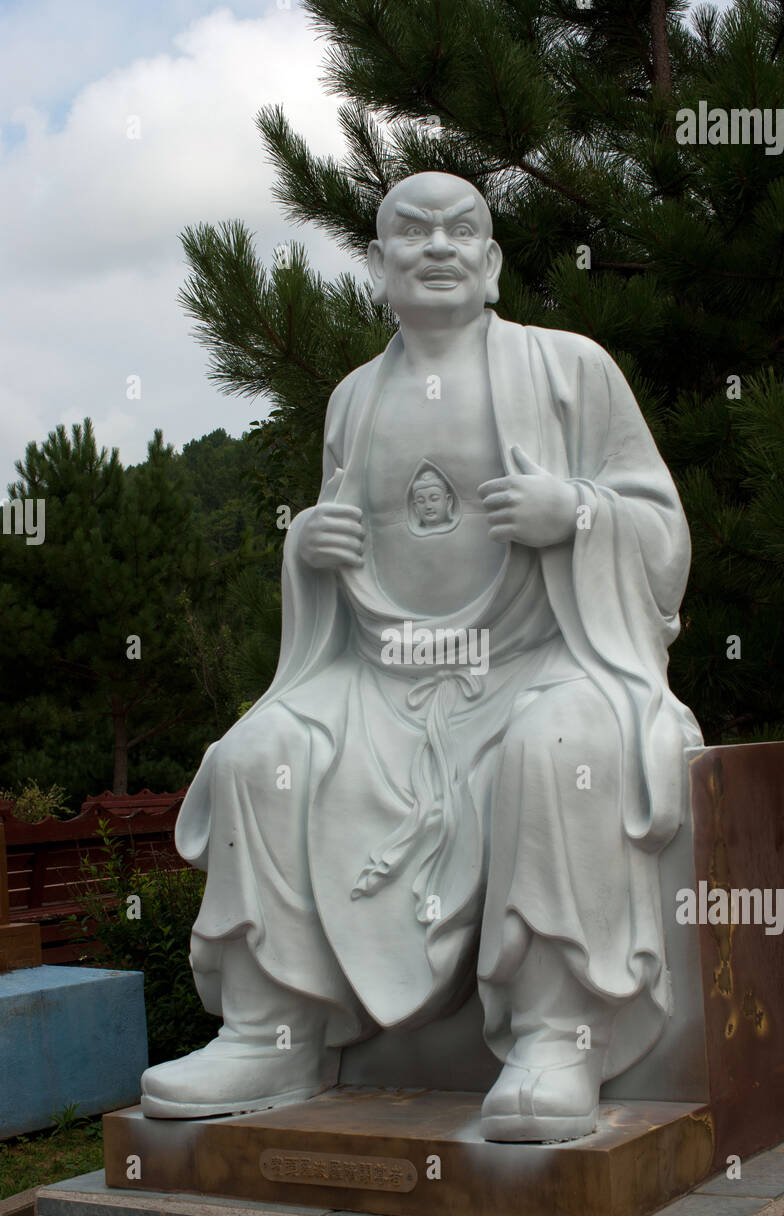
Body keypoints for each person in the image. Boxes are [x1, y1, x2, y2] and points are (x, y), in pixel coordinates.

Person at [140, 171, 702, 1141]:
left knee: (560, 745)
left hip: (541, 656)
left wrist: (575, 512)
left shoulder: (569, 370)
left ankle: (557, 1029)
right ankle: (273, 1026)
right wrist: (308, 556)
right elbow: (346, 577)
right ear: (379, 265)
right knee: (254, 756)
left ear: (488, 263)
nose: (437, 245)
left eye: (461, 231)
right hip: (383, 676)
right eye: (411, 231)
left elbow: (662, 535)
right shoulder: (354, 400)